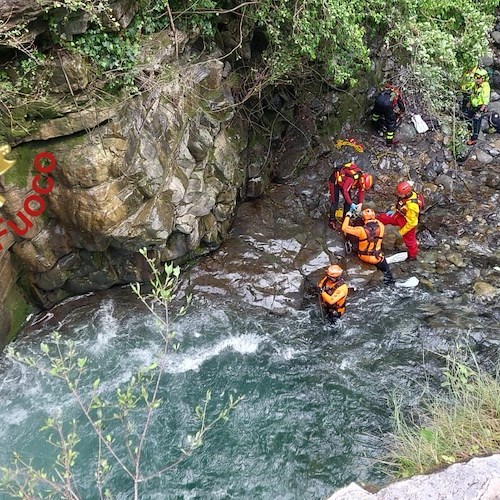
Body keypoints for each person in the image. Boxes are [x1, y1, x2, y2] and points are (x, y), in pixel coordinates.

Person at [342, 208, 394, 284]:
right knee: (387, 271)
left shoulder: (361, 230)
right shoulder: (381, 226)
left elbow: (344, 228)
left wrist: (348, 216)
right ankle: (389, 280)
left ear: (363, 218)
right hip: (377, 257)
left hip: (363, 256)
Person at [376, 181, 419, 261]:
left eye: (400, 194)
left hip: (407, 222)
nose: (398, 195)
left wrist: (402, 232)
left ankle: (412, 256)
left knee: (410, 241)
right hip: (399, 215)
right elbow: (400, 204)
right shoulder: (405, 197)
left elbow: (412, 223)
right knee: (384, 217)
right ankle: (372, 223)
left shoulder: (412, 206)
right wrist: (394, 210)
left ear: (406, 193)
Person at [328, 162, 373, 229]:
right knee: (335, 202)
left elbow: (362, 191)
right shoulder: (352, 178)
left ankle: (345, 219)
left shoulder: (361, 179)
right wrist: (352, 204)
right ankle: (332, 221)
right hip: (335, 181)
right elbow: (345, 190)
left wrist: (360, 203)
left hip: (344, 183)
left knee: (348, 202)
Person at [465, 68, 490, 145]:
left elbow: (485, 100)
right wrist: (469, 102)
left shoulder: (485, 87)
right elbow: (473, 94)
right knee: (468, 117)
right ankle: (468, 132)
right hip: (473, 104)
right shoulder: (476, 85)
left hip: (480, 107)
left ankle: (474, 139)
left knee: (476, 122)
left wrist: (480, 111)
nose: (476, 79)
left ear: (483, 78)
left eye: (478, 78)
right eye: (476, 77)